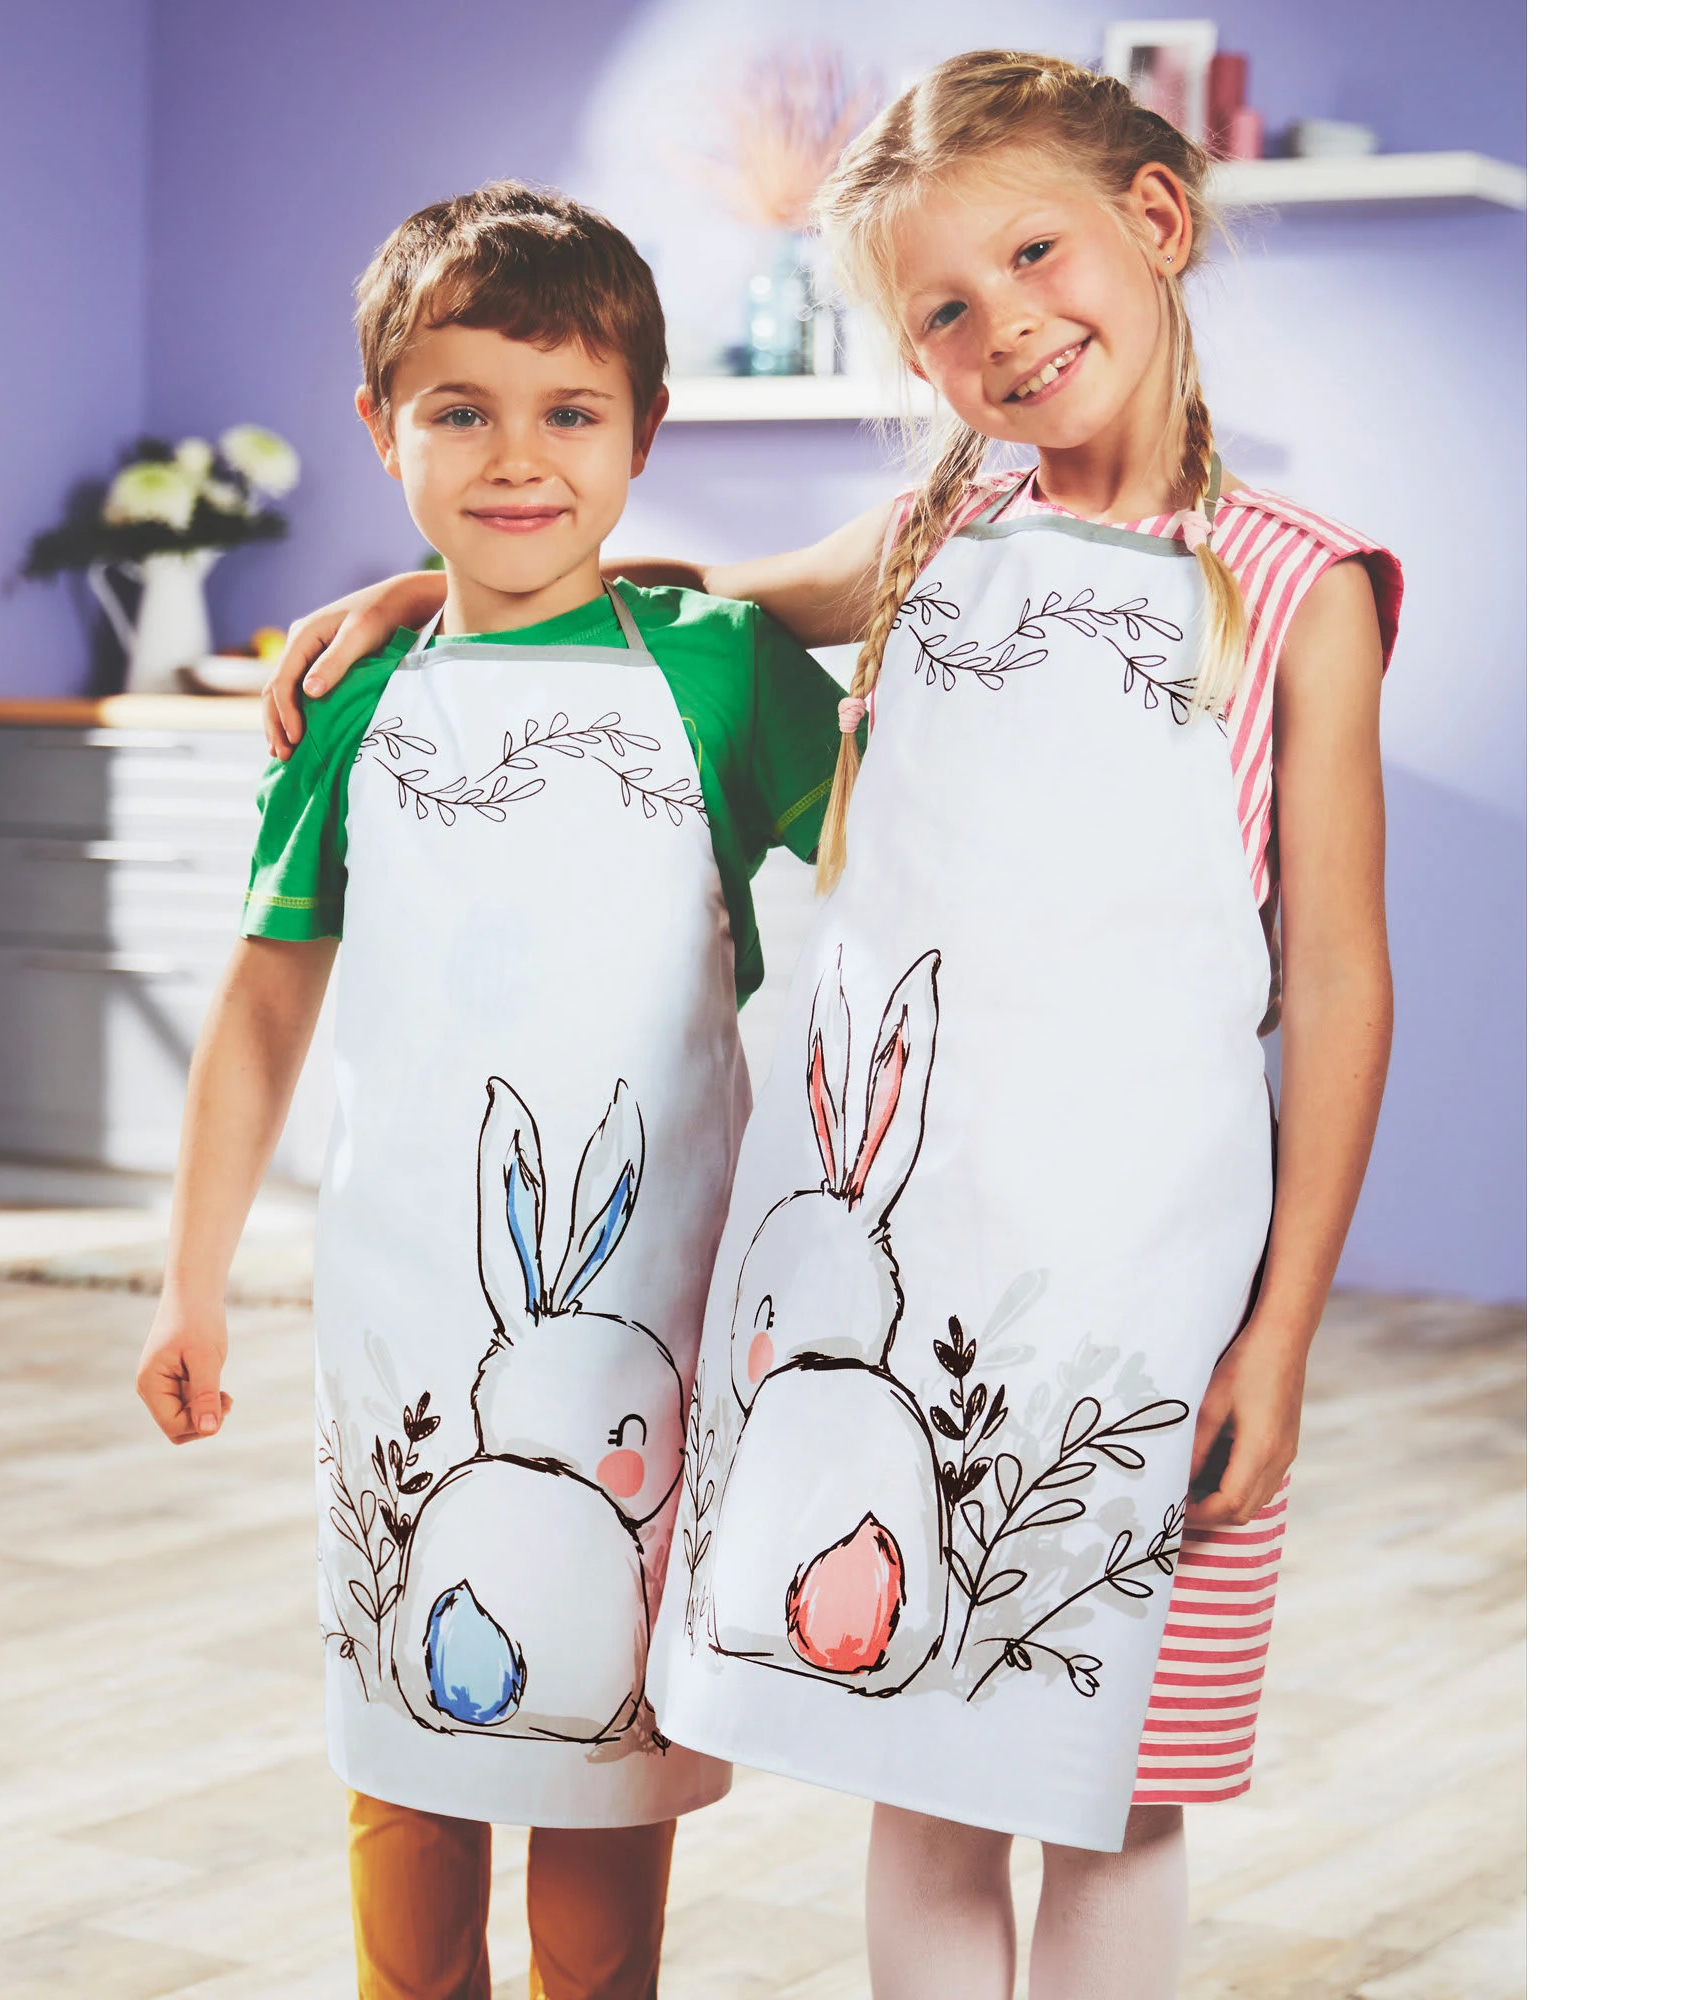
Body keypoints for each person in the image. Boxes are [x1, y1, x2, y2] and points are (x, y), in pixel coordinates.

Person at [262, 53, 1402, 2000]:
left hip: (1150, 1300)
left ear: (1156, 219)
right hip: (915, 1277)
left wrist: (1282, 1331)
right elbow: (679, 590)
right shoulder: (938, 527)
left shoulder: (1299, 591)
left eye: (1031, 256)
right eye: (939, 309)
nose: (999, 327)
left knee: (1114, 1784)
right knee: (923, 1768)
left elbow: (1344, 978)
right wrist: (431, 592)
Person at [136, 181, 850, 2000]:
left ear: (644, 434)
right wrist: (191, 1281)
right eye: (460, 411)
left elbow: (907, 880)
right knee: (406, 1730)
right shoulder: (355, 696)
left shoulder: (725, 676)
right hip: (401, 1318)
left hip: (643, 1333)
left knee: (604, 1748)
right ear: (382, 430)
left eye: (570, 412)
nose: (517, 458)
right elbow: (266, 1003)